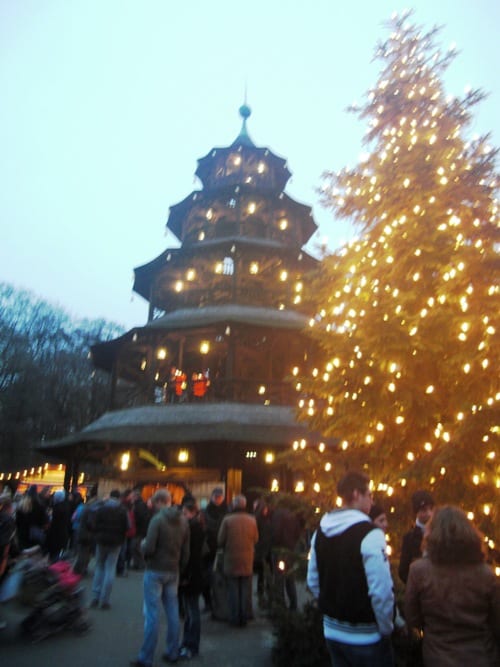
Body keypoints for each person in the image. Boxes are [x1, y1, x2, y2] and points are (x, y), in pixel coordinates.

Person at [307, 471, 394, 666]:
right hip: (366, 636)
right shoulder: (371, 534)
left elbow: (312, 581)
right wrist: (386, 627)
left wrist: (332, 608)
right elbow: (381, 591)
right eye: (369, 495)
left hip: (332, 632)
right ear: (356, 494)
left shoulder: (320, 531)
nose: (372, 500)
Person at [405, 505, 500, 666]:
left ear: (432, 534)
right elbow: (497, 622)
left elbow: (412, 618)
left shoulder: (419, 571)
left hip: (437, 656)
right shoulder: (486, 574)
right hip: (480, 656)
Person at [131, 489, 190, 667]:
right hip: (174, 570)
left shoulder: (156, 520)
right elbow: (186, 551)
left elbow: (149, 547)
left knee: (152, 613)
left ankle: (146, 657)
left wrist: (142, 547)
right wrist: (181, 567)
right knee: (172, 611)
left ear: (158, 502)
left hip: (155, 569)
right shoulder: (183, 521)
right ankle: (173, 651)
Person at [217, 494, 258, 628]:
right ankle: (244, 616)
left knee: (233, 590)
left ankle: (234, 618)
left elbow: (220, 540)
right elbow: (256, 538)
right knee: (245, 589)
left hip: (231, 558)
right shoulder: (252, 520)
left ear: (234, 505)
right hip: (247, 558)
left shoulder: (227, 520)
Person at [90, 489, 128, 610]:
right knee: (110, 569)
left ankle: (96, 595)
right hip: (116, 542)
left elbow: (92, 522)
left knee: (99, 566)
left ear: (110, 496)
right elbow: (128, 526)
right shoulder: (122, 510)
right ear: (119, 498)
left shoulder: (101, 508)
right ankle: (105, 599)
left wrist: (97, 533)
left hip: (101, 541)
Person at [179, 496, 206, 660]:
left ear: (190, 513)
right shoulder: (198, 526)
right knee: (190, 610)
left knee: (192, 611)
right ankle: (187, 642)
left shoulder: (193, 529)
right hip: (195, 573)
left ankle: (191, 645)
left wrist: (186, 574)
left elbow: (191, 555)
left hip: (192, 574)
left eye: (184, 512)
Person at [271, 502, 303, 611]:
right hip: (290, 550)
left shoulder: (277, 515)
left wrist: (274, 545)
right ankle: (293, 604)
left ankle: (280, 605)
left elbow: (275, 533)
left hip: (279, 550)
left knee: (279, 579)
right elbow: (298, 532)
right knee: (290, 578)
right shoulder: (293, 515)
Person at [398, 490, 434, 584]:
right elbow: (403, 571)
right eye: (424, 510)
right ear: (416, 512)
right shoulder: (410, 538)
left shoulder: (441, 532)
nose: (429, 514)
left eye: (431, 509)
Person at [201, 486, 227, 611]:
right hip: (208, 550)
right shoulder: (206, 511)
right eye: (216, 496)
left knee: (220, 579)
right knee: (206, 579)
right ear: (212, 497)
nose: (217, 499)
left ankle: (218, 603)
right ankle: (209, 603)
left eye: (219, 496)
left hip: (221, 549)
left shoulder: (226, 511)